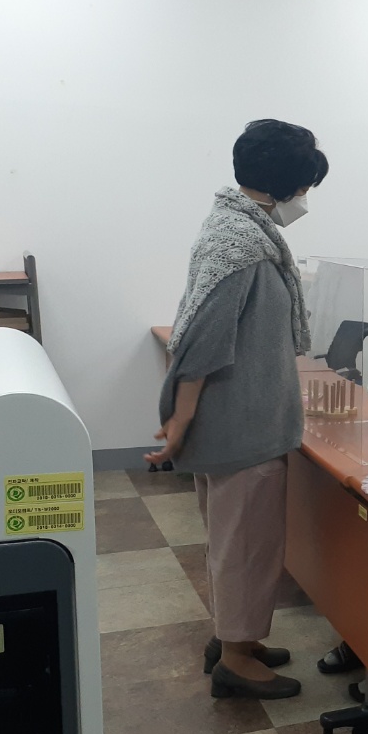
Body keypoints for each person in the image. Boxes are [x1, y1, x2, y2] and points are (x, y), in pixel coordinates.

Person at [147, 119, 327, 700]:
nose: (306, 198)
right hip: (243, 426)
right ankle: (235, 659)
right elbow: (201, 338)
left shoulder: (238, 228)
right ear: (285, 182)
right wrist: (179, 420)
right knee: (247, 545)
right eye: (306, 186)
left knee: (233, 540)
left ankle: (237, 638)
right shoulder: (243, 244)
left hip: (241, 419)